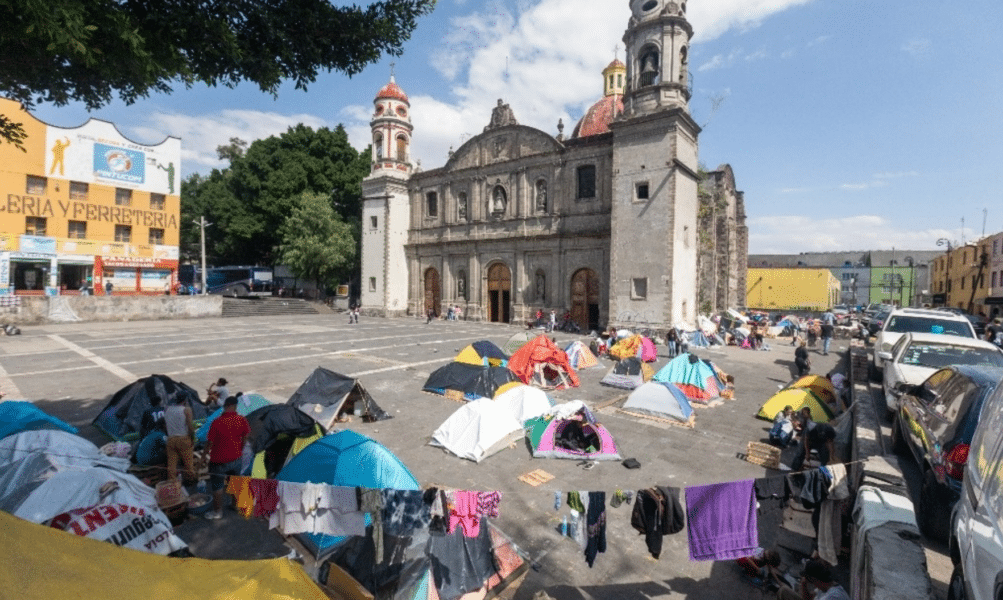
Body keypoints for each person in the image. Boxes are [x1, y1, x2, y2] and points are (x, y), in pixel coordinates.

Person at [205, 395, 251, 520]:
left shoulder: (217, 422)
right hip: (236, 458)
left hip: (218, 460)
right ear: (235, 406)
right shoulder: (241, 419)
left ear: (226, 406)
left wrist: (204, 456)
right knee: (235, 482)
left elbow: (209, 442)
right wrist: (240, 448)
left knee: (218, 486)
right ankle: (234, 505)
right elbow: (245, 436)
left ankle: (217, 512)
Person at [777, 558, 849, 600]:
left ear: (813, 579)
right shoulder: (826, 587)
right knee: (784, 590)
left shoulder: (831, 596)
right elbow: (808, 598)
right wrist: (803, 584)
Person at [791, 407, 837, 472]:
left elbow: (830, 442)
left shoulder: (829, 429)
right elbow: (806, 440)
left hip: (821, 442)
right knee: (800, 452)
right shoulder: (810, 427)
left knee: (825, 456)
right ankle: (794, 469)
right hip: (808, 439)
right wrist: (807, 453)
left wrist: (832, 455)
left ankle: (822, 472)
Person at [164, 395, 195, 484]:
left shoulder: (167, 409)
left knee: (171, 465)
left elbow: (166, 425)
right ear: (184, 401)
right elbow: (190, 425)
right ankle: (190, 482)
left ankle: (172, 483)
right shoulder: (186, 410)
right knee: (188, 464)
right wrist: (192, 438)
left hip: (171, 439)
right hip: (184, 439)